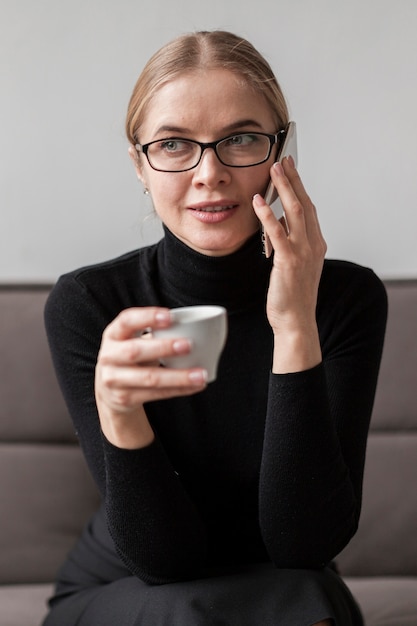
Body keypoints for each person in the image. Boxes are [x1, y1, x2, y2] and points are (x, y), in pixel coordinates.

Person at [42, 30, 387, 626]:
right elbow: (164, 562)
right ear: (140, 166)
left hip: (284, 584)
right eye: (174, 144)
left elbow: (305, 547)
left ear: (282, 153)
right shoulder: (90, 304)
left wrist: (294, 325)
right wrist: (119, 411)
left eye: (242, 139)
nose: (209, 172)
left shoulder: (346, 299)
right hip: (128, 584)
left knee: (311, 599)